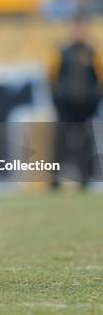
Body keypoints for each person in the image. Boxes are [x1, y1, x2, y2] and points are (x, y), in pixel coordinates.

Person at [50, 16, 102, 189]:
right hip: (65, 108)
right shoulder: (62, 51)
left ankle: (84, 180)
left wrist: (93, 102)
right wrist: (58, 102)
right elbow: (52, 78)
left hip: (85, 109)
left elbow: (99, 80)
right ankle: (55, 182)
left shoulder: (91, 52)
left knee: (86, 145)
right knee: (60, 145)